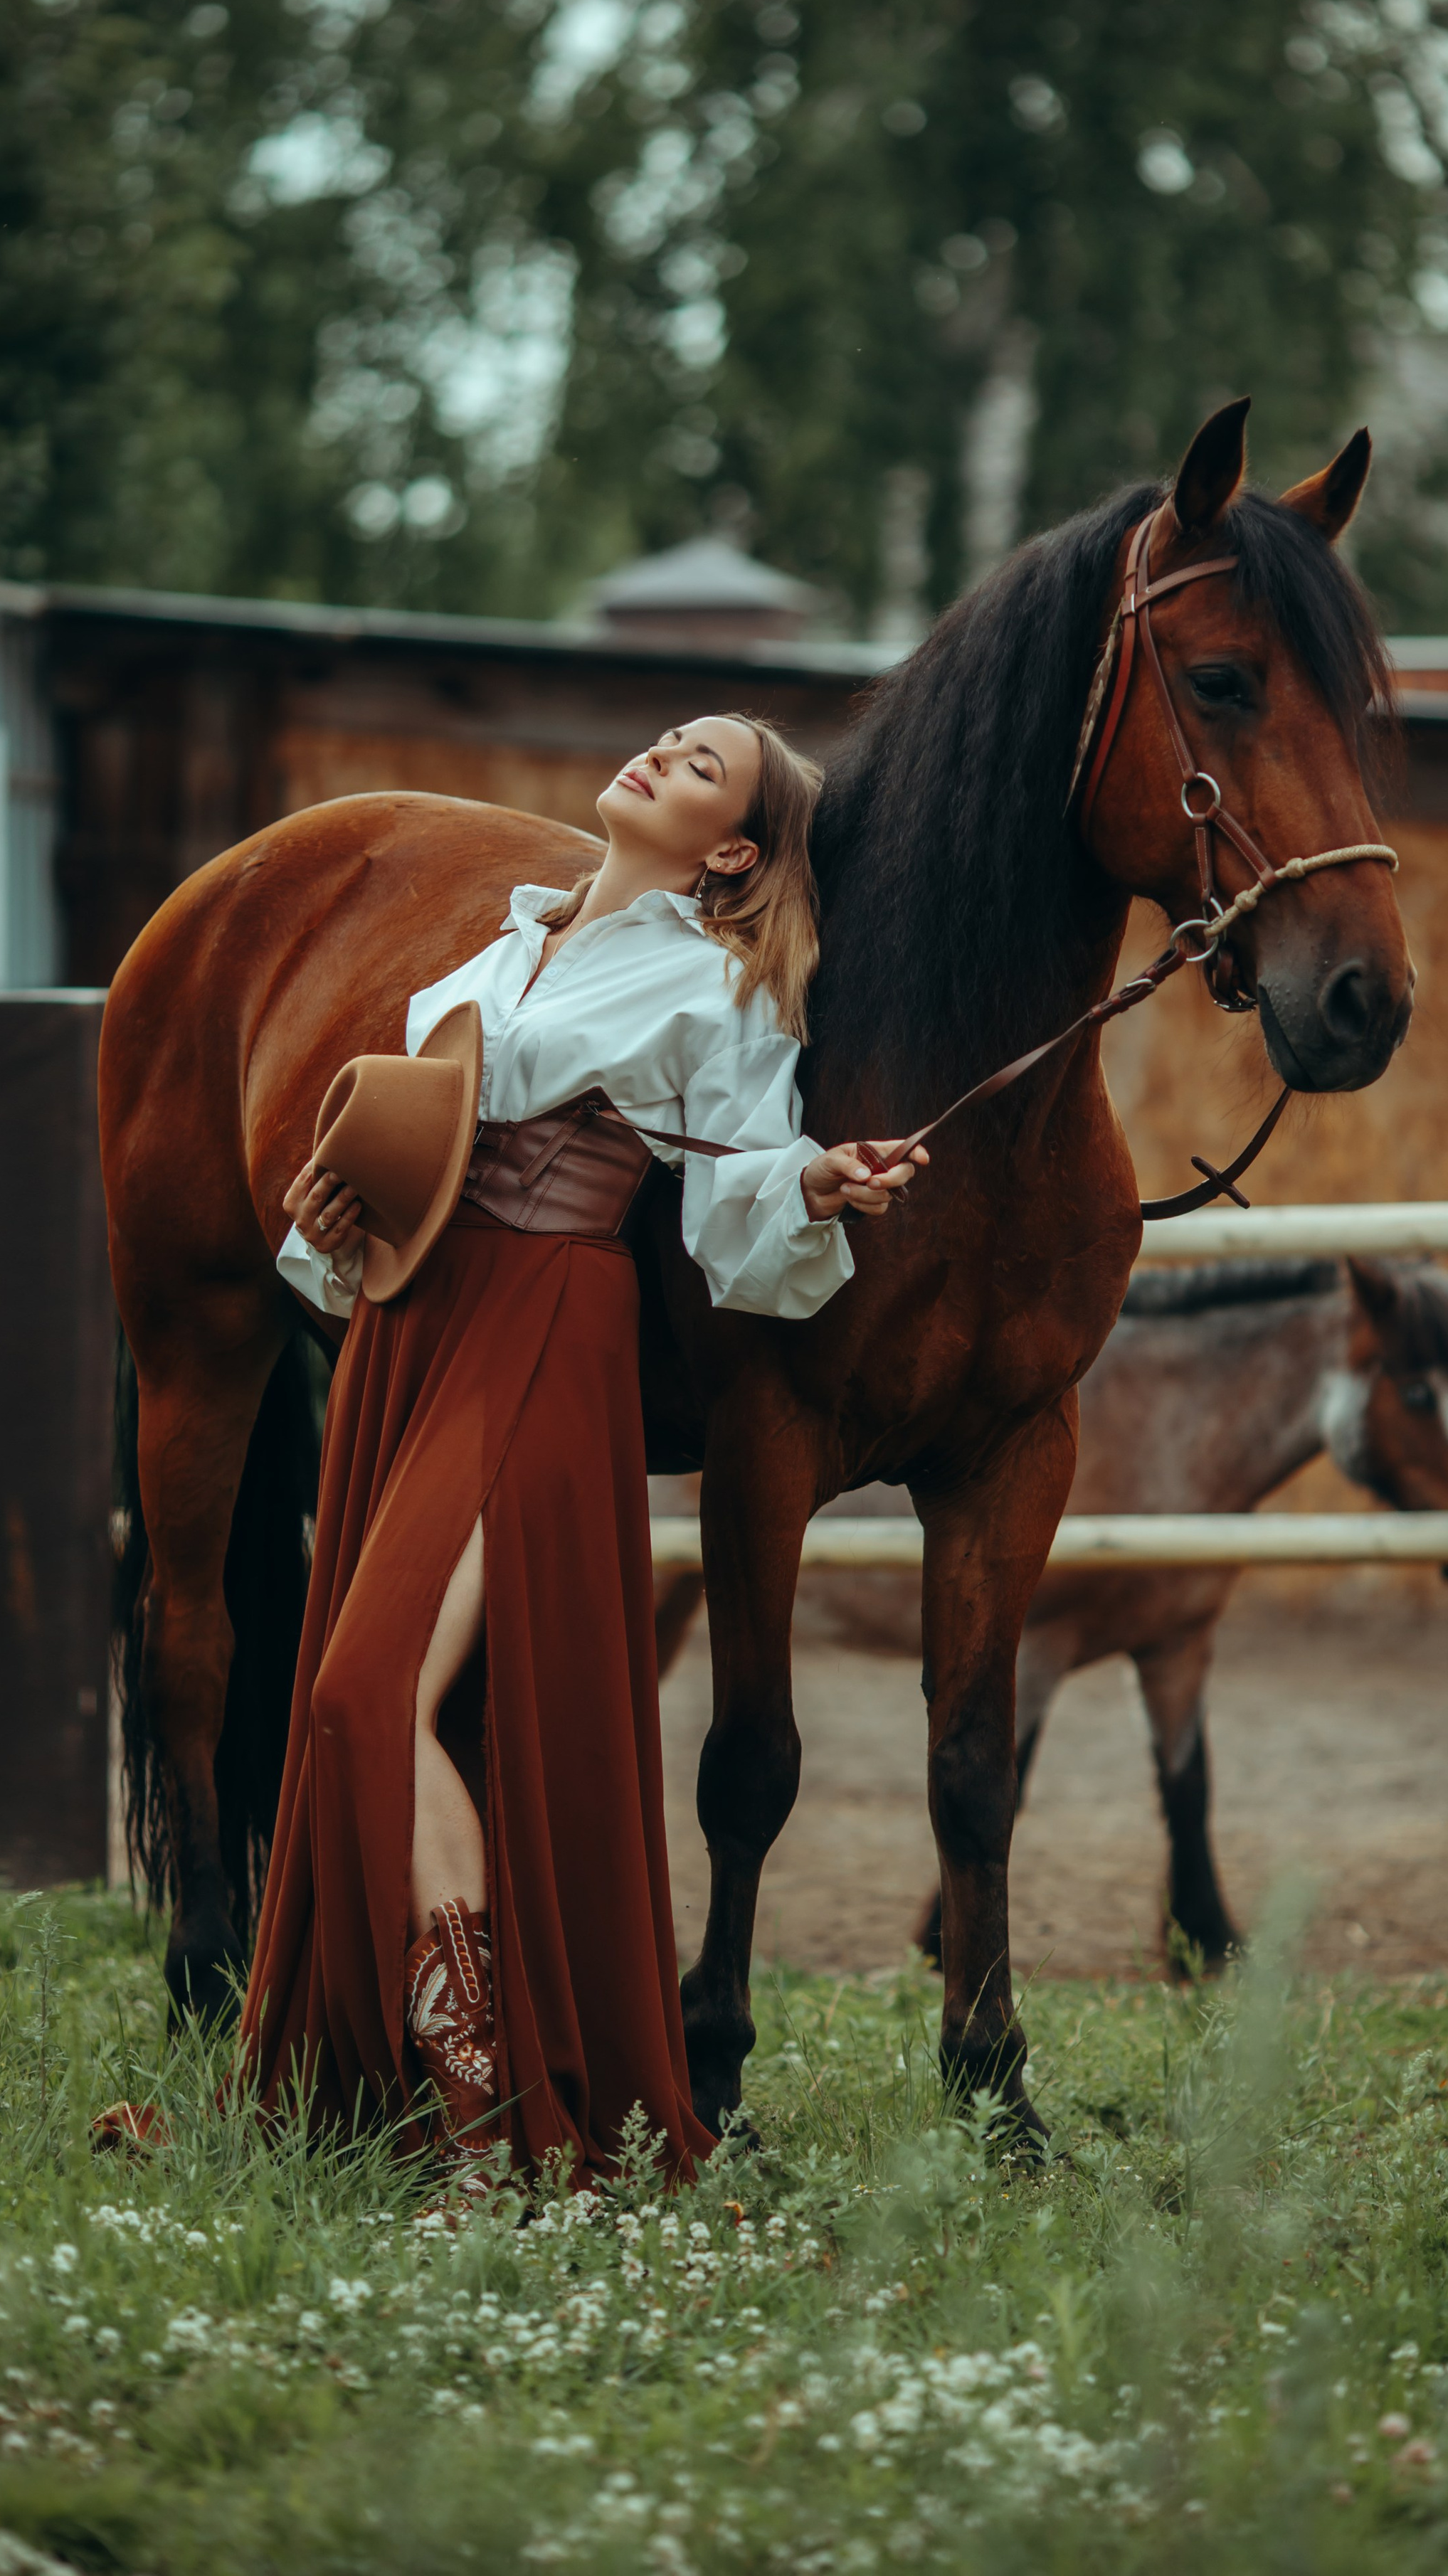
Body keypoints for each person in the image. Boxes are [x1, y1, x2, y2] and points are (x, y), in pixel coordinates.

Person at [241, 714, 924, 2193]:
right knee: (396, 1704)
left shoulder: (720, 983)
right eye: (667, 742)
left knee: (369, 1695)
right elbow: (397, 1171)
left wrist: (812, 1180)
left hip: (542, 1338)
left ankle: (489, 2134)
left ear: (732, 850)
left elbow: (727, 1195)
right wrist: (334, 1199)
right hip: (409, 1336)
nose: (655, 760)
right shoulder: (498, 953)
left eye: (697, 771)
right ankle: (411, 2097)